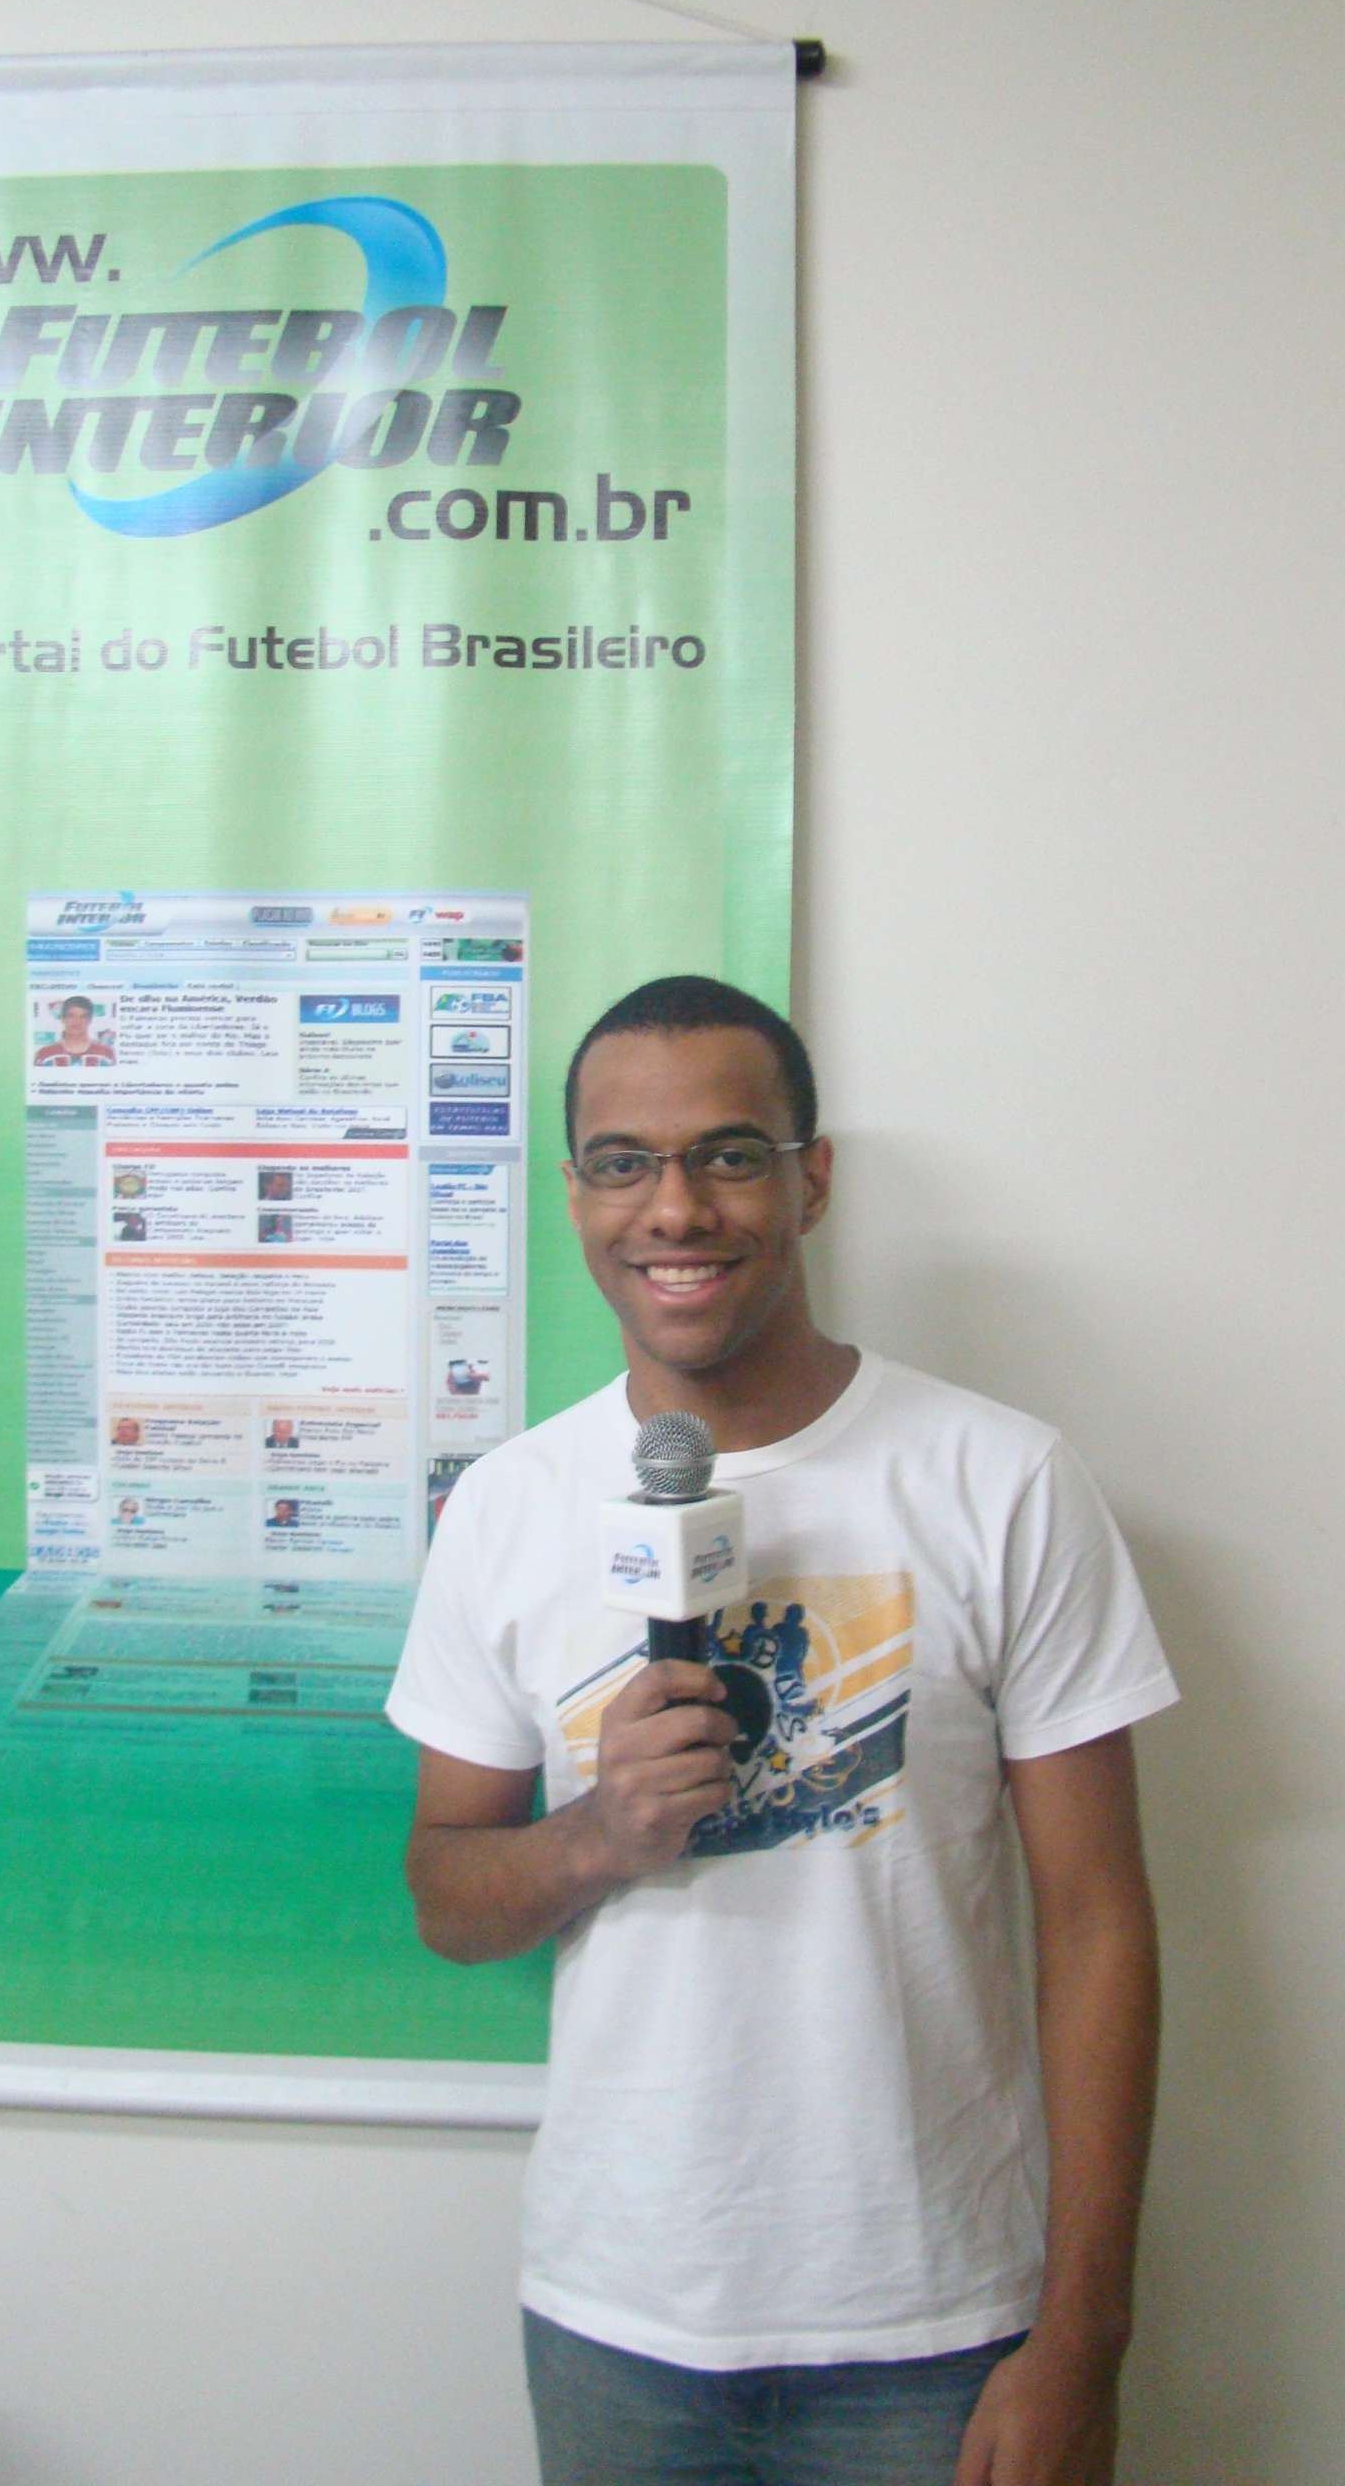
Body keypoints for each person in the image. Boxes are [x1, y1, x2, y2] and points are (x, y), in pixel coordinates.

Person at [387, 976, 1177, 2486]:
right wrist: (598, 1835)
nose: (675, 1208)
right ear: (577, 1199)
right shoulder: (507, 1507)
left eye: (729, 1155)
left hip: (938, 2323)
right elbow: (447, 1896)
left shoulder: (1002, 1480)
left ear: (811, 1181)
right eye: (624, 1163)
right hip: (617, 2318)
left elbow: (1097, 1923)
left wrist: (1085, 2338)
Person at [35, 994, 115, 1065]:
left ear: (90, 1020)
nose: (77, 1021)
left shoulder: (106, 1054)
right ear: (63, 1019)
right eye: (71, 1016)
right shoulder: (45, 1054)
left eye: (83, 1016)